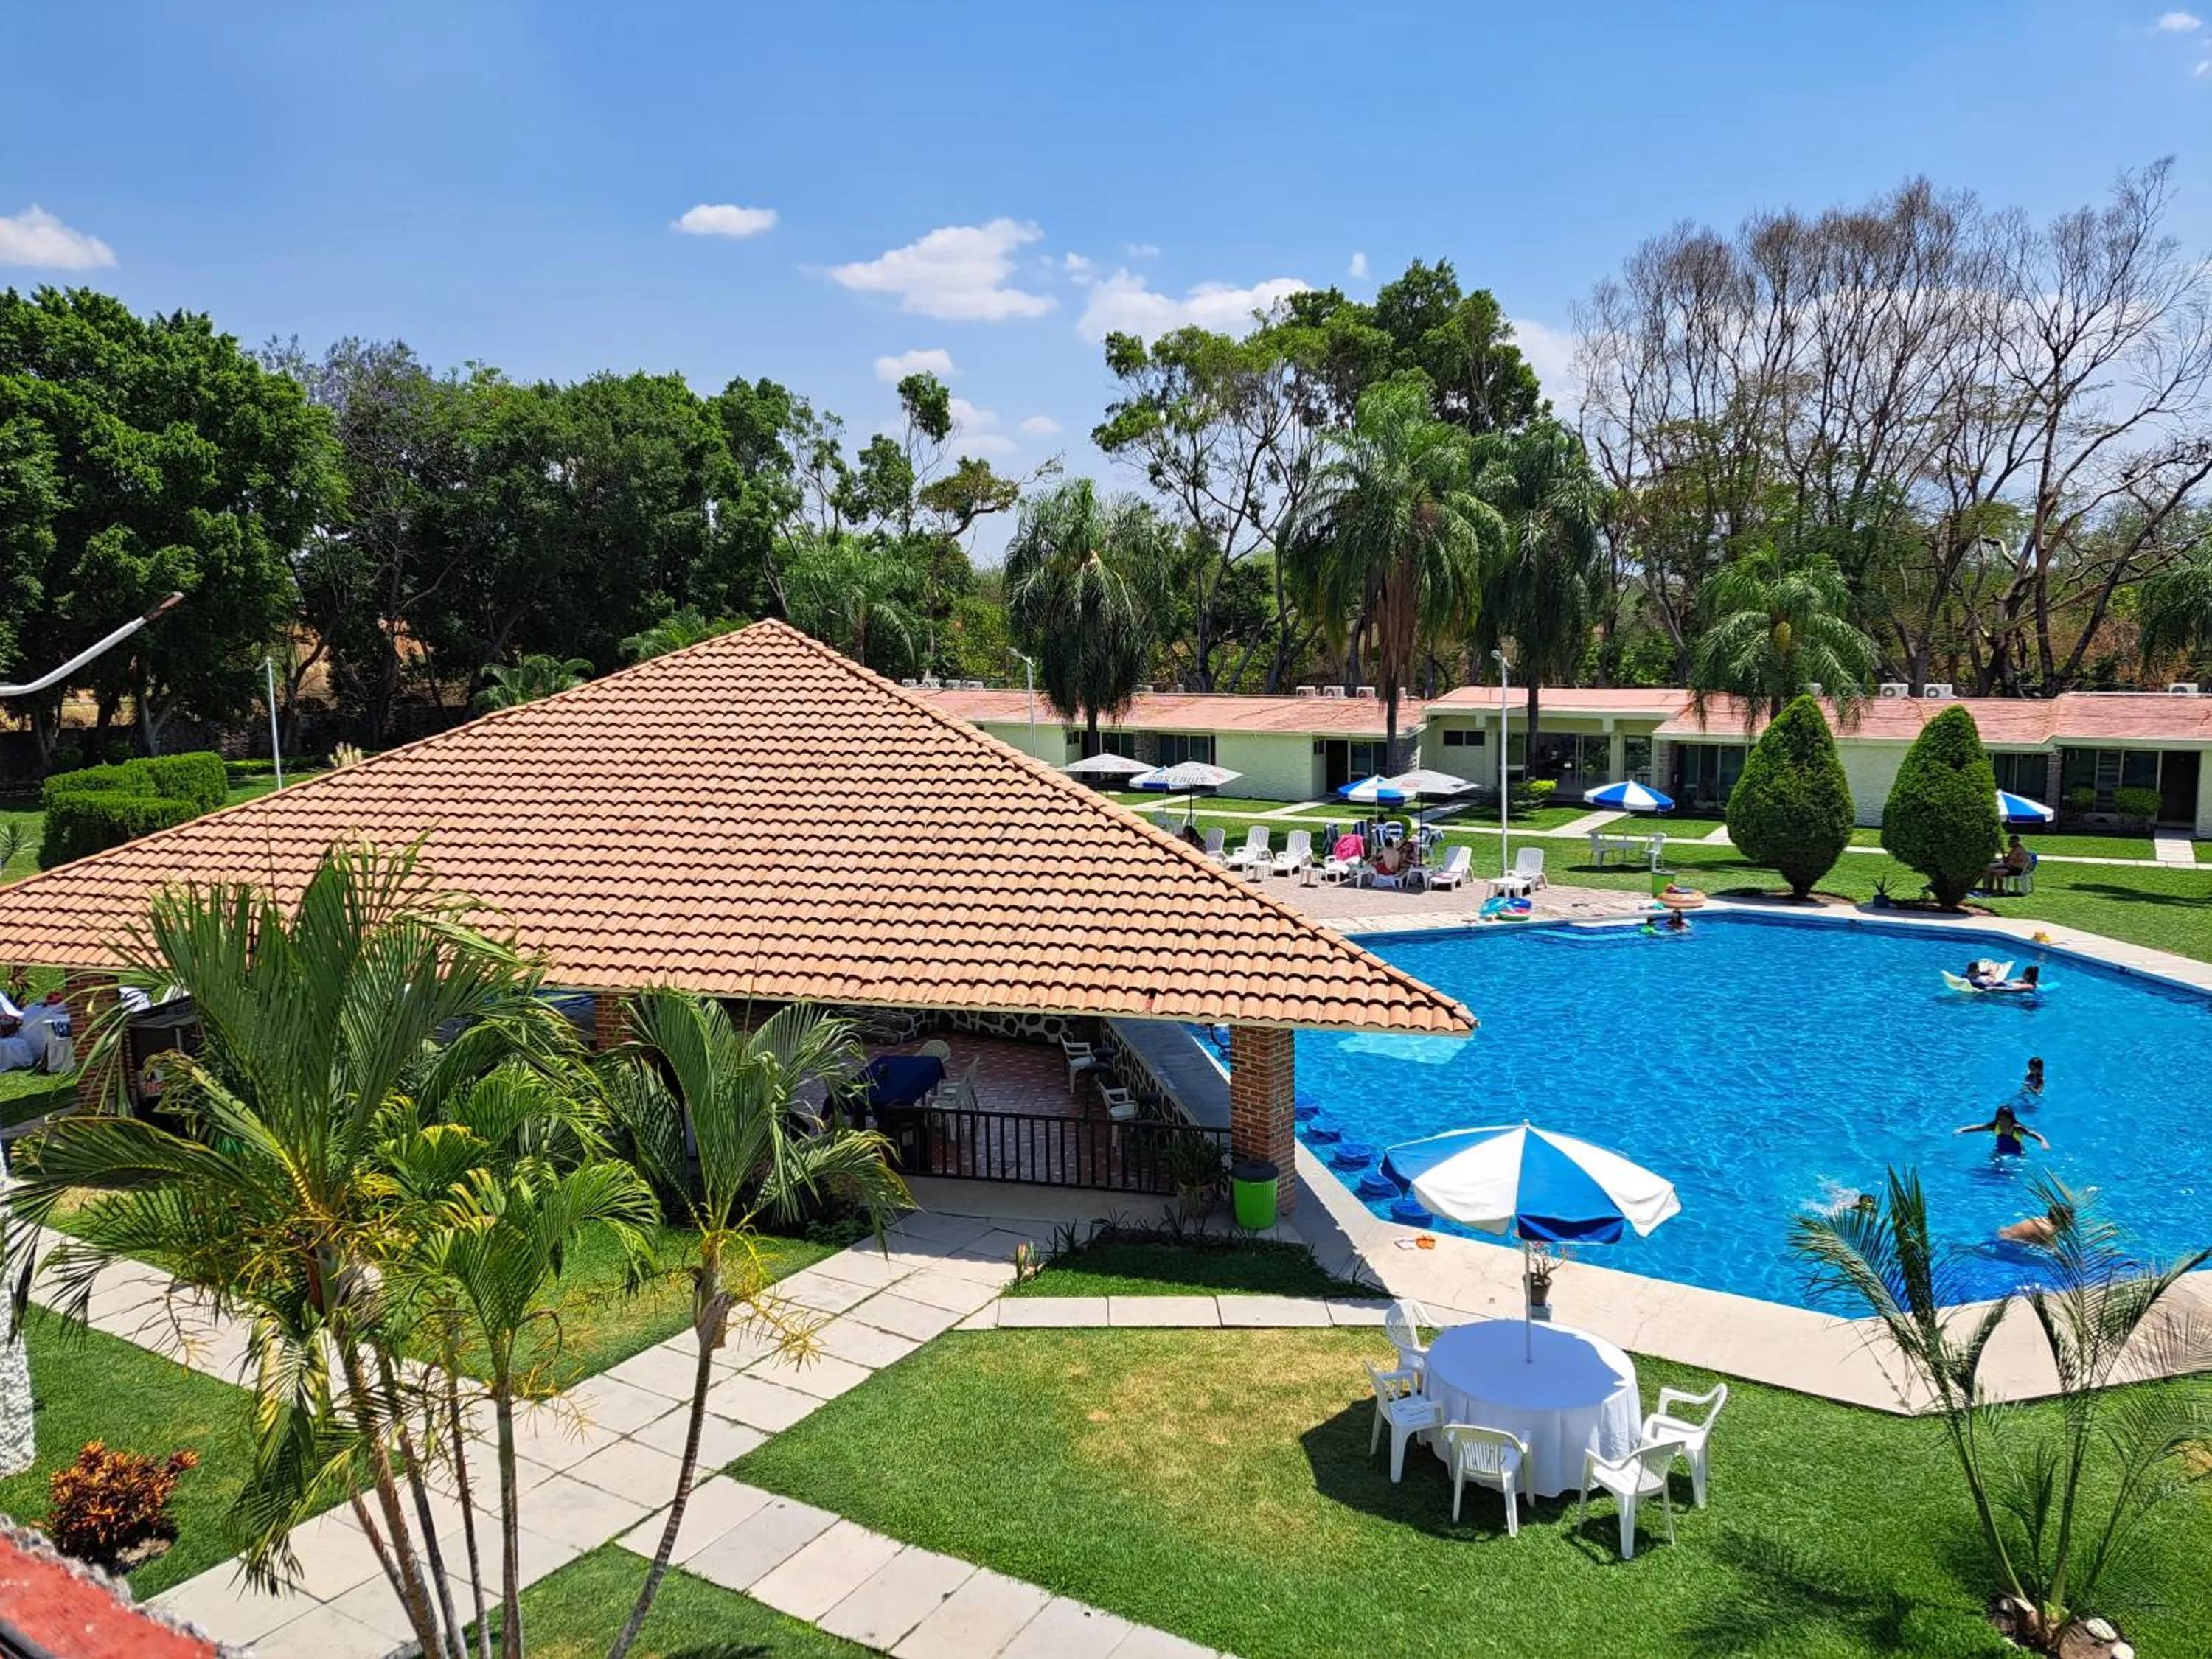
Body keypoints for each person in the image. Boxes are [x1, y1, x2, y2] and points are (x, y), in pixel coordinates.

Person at [1955, 1103, 2048, 1158]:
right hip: (2000, 1151)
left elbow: (2033, 1134)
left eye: (2005, 1120)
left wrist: (2043, 1142)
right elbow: (1978, 1127)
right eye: (2000, 1120)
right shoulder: (1995, 1126)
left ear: (2011, 1120)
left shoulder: (2017, 1129)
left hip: (2018, 1154)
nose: (2003, 1122)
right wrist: (1962, 1130)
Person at [1997, 1199, 2073, 1245]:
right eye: (2068, 1220)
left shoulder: (2042, 1219)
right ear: (2059, 1219)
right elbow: (2054, 1252)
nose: (2070, 1224)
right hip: (2006, 1243)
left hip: (2002, 1233)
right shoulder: (2048, 1230)